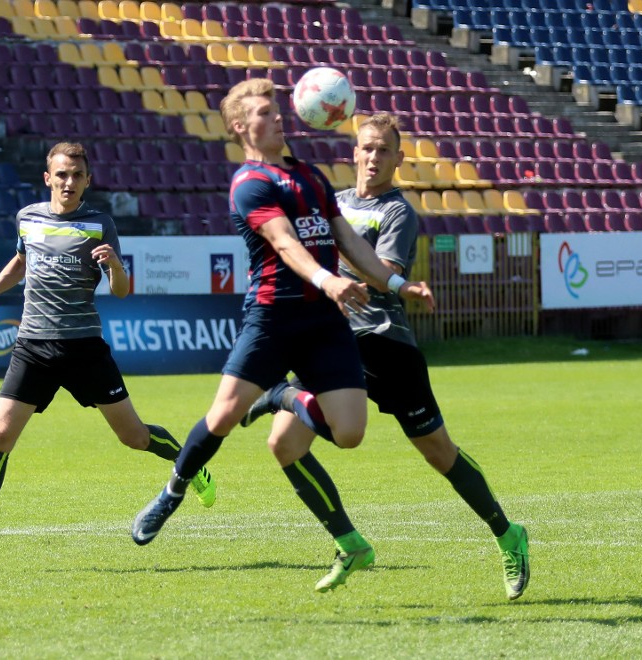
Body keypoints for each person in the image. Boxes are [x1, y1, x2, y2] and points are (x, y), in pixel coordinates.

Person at [130, 80, 435, 592]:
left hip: (323, 324)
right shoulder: (249, 183)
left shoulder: (311, 176)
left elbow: (352, 244)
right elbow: (286, 244)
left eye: (277, 111)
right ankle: (173, 490)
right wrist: (329, 280)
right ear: (239, 127)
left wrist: (401, 284)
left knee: (350, 433)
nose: (278, 119)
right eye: (265, 114)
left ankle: (281, 396)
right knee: (223, 415)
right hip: (273, 318)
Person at [242, 113, 530, 600]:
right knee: (284, 447)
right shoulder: (331, 202)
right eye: (367, 148)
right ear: (354, 152)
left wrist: (334, 239)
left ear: (398, 159)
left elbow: (386, 272)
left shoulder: (397, 212)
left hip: (384, 342)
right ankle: (350, 542)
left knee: (439, 452)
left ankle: (508, 534)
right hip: (335, 339)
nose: (373, 157)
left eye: (383, 150)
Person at [0, 142, 216, 568]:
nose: (69, 182)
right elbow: (20, 261)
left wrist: (116, 266)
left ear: (87, 180)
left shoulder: (99, 224)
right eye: (62, 174)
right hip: (32, 346)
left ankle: (189, 465)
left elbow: (121, 290)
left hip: (84, 347)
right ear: (48, 178)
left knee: (134, 437)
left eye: (77, 175)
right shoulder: (27, 218)